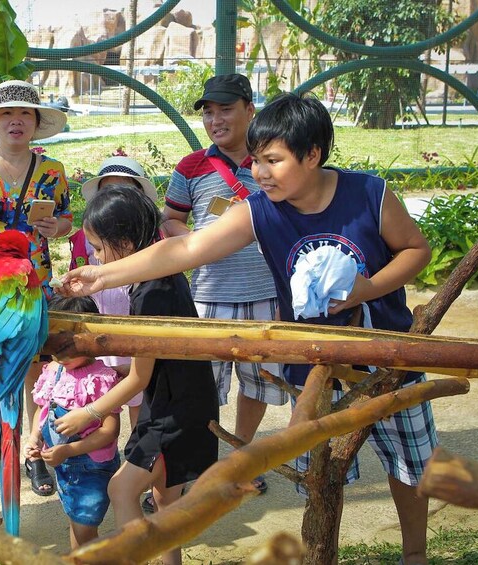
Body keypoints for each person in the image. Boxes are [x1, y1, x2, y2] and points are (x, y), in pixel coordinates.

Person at [60, 93, 436, 565]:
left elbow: (415, 250)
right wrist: (103, 275)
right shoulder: (260, 210)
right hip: (314, 362)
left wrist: (367, 289)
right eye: (256, 160)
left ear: (313, 154)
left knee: (408, 463)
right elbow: (185, 250)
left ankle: (415, 555)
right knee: (322, 473)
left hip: (389, 354)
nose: (259, 172)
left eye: (273, 161)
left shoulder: (370, 195)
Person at [54, 186, 219, 565]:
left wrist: (90, 413)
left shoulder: (150, 294)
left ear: (125, 244)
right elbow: (151, 362)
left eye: (97, 248)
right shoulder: (162, 276)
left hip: (172, 409)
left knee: (121, 489)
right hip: (183, 397)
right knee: (164, 498)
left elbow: (139, 379)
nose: (95, 257)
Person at [161, 73, 284, 496]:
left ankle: (241, 457)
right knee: (198, 389)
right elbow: (171, 219)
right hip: (209, 296)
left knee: (259, 383)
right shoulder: (190, 167)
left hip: (268, 294)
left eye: (225, 109)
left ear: (250, 109)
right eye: (209, 112)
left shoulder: (273, 161)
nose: (215, 120)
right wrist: (196, 243)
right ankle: (196, 465)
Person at [0, 79, 73, 496]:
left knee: (34, 372)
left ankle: (32, 453)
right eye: (6, 113)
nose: (16, 121)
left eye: (24, 113)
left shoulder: (52, 171)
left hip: (33, 284)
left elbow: (66, 221)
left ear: (36, 122)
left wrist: (53, 226)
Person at [25, 295, 122, 549]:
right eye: (55, 343)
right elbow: (42, 409)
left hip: (91, 467)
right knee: (76, 523)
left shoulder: (100, 378)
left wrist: (69, 450)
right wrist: (34, 438)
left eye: (70, 345)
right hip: (63, 464)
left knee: (84, 529)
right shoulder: (53, 370)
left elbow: (110, 431)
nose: (61, 353)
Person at [73, 156, 159, 429]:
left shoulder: (154, 261)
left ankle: (138, 450)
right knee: (107, 407)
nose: (96, 256)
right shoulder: (90, 240)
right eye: (108, 191)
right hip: (104, 338)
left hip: (135, 343)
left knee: (139, 406)